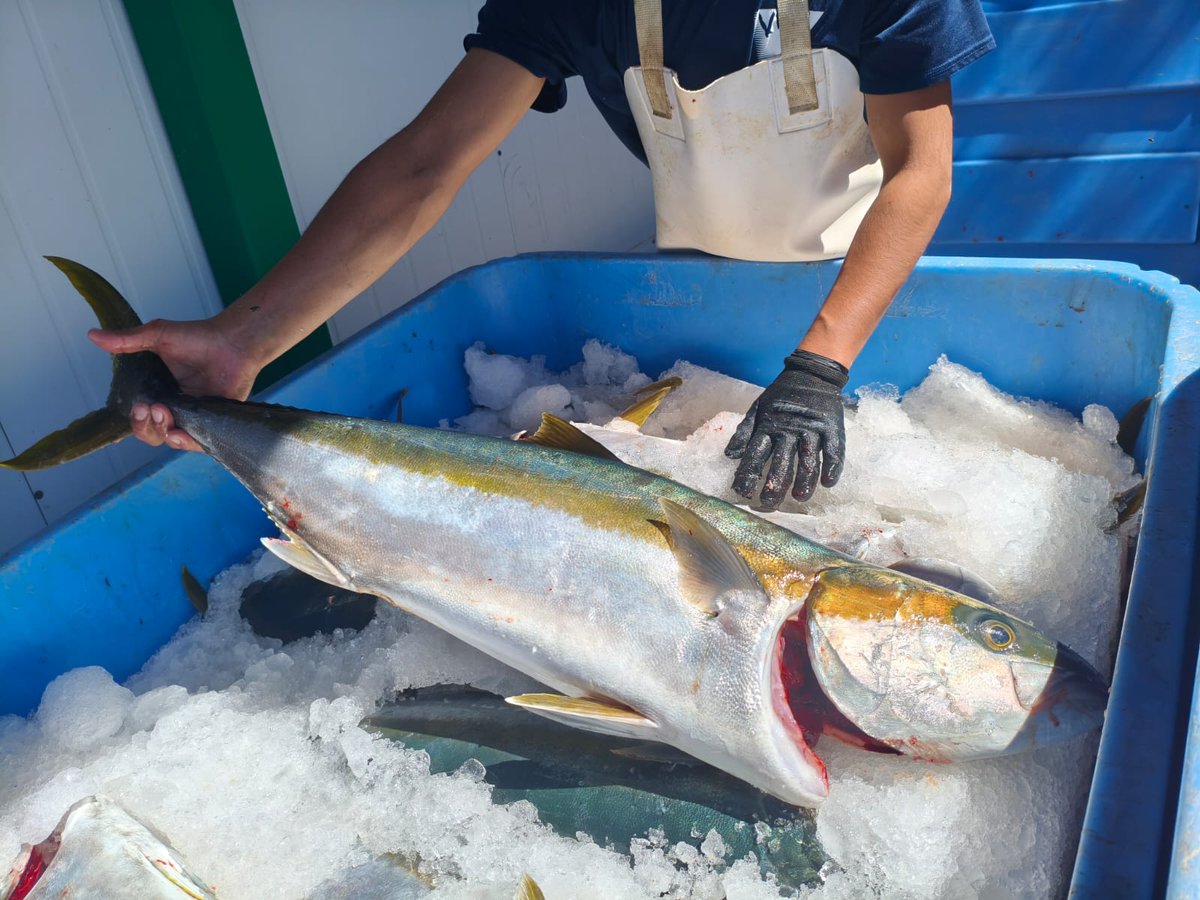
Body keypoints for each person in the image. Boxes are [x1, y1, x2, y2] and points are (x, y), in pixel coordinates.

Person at [89, 0, 994, 509]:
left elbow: (921, 172)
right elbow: (425, 164)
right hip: (697, 290)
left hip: (867, 294)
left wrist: (820, 367)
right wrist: (245, 339)